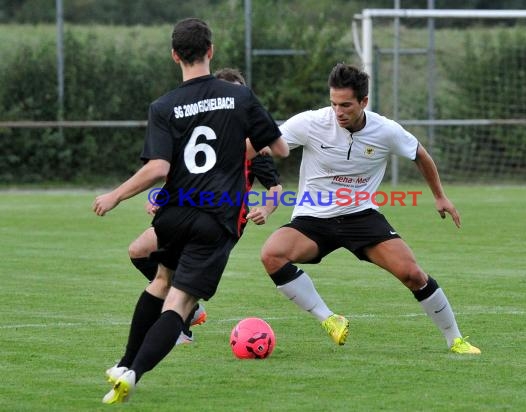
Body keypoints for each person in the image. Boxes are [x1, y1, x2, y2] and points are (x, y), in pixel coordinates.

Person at [92, 18, 288, 404]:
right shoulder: (239, 98)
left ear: (174, 55)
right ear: (210, 51)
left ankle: (123, 362)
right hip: (216, 217)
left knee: (161, 280)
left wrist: (116, 196)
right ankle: (134, 373)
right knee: (180, 303)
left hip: (175, 212)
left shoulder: (163, 106)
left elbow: (158, 169)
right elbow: (279, 149)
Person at [260, 63, 480, 355]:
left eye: (346, 105)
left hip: (360, 216)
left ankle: (455, 339)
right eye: (334, 103)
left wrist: (440, 196)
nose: (338, 111)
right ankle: (329, 319)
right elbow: (264, 145)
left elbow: (420, 155)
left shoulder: (385, 130)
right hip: (313, 217)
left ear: (364, 102)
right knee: (271, 255)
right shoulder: (311, 123)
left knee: (413, 274)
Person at [127, 67, 283, 345]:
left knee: (182, 274)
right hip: (185, 210)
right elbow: (185, 172)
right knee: (139, 251)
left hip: (223, 218)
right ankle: (189, 310)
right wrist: (163, 198)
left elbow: (275, 187)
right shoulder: (199, 128)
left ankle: (180, 326)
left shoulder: (247, 140)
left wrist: (267, 209)